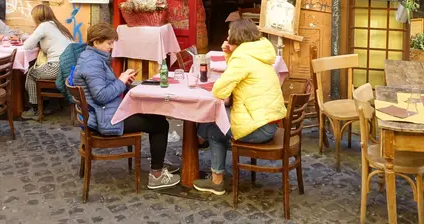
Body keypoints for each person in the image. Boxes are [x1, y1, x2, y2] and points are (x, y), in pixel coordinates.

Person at [72, 23, 181, 190]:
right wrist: (121, 81)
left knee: (155, 116)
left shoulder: (91, 58)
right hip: (105, 120)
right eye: (109, 43)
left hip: (105, 113)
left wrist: (121, 80)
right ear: (96, 42)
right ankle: (156, 176)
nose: (112, 46)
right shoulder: (92, 64)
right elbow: (101, 96)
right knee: (160, 124)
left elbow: (103, 90)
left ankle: (158, 164)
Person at [194, 19, 286, 195]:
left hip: (260, 127)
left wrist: (232, 58)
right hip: (269, 121)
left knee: (215, 128)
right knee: (216, 119)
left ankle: (216, 180)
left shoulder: (243, 59)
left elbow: (220, 91)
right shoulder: (258, 53)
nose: (227, 37)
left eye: (229, 34)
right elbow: (237, 77)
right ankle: (200, 139)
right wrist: (230, 56)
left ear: (236, 37)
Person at [20, 4, 74, 120]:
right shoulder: (58, 26)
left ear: (37, 17)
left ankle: (35, 109)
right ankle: (52, 104)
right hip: (69, 67)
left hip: (56, 67)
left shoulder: (43, 26)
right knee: (42, 70)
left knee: (31, 74)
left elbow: (27, 46)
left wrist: (25, 39)